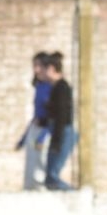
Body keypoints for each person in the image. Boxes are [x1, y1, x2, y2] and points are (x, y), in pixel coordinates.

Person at [37, 51, 77, 191]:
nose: (40, 72)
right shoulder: (55, 87)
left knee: (52, 177)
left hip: (62, 133)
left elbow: (62, 116)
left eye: (43, 69)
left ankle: (75, 196)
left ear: (51, 69)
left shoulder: (62, 88)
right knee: (50, 178)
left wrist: (56, 142)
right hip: (59, 132)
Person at [15, 51, 51, 190]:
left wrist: (43, 136)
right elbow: (36, 113)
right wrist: (23, 139)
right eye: (34, 66)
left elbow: (50, 114)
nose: (36, 70)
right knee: (30, 164)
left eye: (39, 66)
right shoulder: (39, 87)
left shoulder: (51, 88)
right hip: (34, 128)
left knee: (40, 163)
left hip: (44, 129)